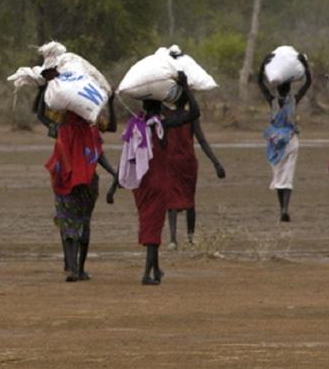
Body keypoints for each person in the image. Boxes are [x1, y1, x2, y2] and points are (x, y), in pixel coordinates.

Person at [33, 68, 118, 282]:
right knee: (84, 222)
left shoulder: (60, 127)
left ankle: (71, 268)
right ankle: (80, 269)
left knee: (67, 221)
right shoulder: (92, 128)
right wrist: (111, 102)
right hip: (89, 183)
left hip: (64, 181)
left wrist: (43, 89)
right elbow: (101, 150)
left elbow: (40, 113)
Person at [119, 72, 200, 285]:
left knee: (149, 223)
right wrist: (186, 88)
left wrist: (115, 185)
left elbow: (127, 157)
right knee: (154, 228)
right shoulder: (164, 125)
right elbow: (194, 114)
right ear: (160, 106)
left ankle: (156, 269)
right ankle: (147, 274)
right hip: (158, 182)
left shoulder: (135, 126)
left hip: (140, 185)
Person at [164, 52, 225, 249]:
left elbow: (201, 139)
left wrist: (217, 163)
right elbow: (203, 141)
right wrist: (216, 163)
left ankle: (175, 239)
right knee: (188, 200)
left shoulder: (168, 117)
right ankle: (189, 237)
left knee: (174, 199)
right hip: (187, 162)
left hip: (174, 162)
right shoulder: (188, 116)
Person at [257, 52, 312, 222]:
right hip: (289, 140)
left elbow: (260, 82)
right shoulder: (294, 99)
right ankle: (284, 209)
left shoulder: (272, 100)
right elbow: (308, 83)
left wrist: (262, 64)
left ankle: (283, 208)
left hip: (275, 142)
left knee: (279, 174)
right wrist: (306, 66)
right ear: (289, 87)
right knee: (287, 175)